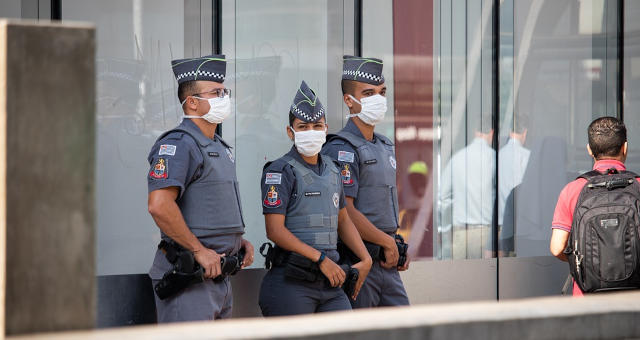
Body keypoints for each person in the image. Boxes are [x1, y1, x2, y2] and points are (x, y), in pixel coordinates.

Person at [146, 54, 254, 322]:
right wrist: (198, 250)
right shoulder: (179, 144)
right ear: (192, 102)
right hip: (191, 277)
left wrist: (236, 241)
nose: (224, 97)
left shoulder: (218, 146)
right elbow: (159, 205)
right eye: (216, 93)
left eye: (224, 91)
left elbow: (207, 206)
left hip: (220, 275)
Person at [258, 80, 372, 316]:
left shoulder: (333, 169)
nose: (311, 132)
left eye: (317, 126)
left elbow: (343, 220)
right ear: (290, 132)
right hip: (293, 281)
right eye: (303, 127)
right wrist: (320, 259)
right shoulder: (279, 171)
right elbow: (275, 231)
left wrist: (365, 258)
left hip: (331, 284)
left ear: (325, 129)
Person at [321, 56, 410, 308]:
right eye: (368, 93)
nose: (378, 100)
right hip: (359, 259)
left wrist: (396, 243)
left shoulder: (384, 145)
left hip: (387, 259)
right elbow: (345, 210)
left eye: (382, 93)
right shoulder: (342, 148)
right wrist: (386, 241)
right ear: (349, 100)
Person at [550, 117, 635, 296]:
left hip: (587, 296)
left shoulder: (573, 190)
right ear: (625, 147)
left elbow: (557, 247)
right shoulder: (638, 186)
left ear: (589, 150)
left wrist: (586, 262)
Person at [440, 126, 495, 260]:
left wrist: (446, 228)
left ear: (475, 132)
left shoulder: (457, 158)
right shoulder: (495, 158)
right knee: (487, 278)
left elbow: (442, 197)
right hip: (487, 233)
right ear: (492, 132)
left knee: (460, 279)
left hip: (461, 233)